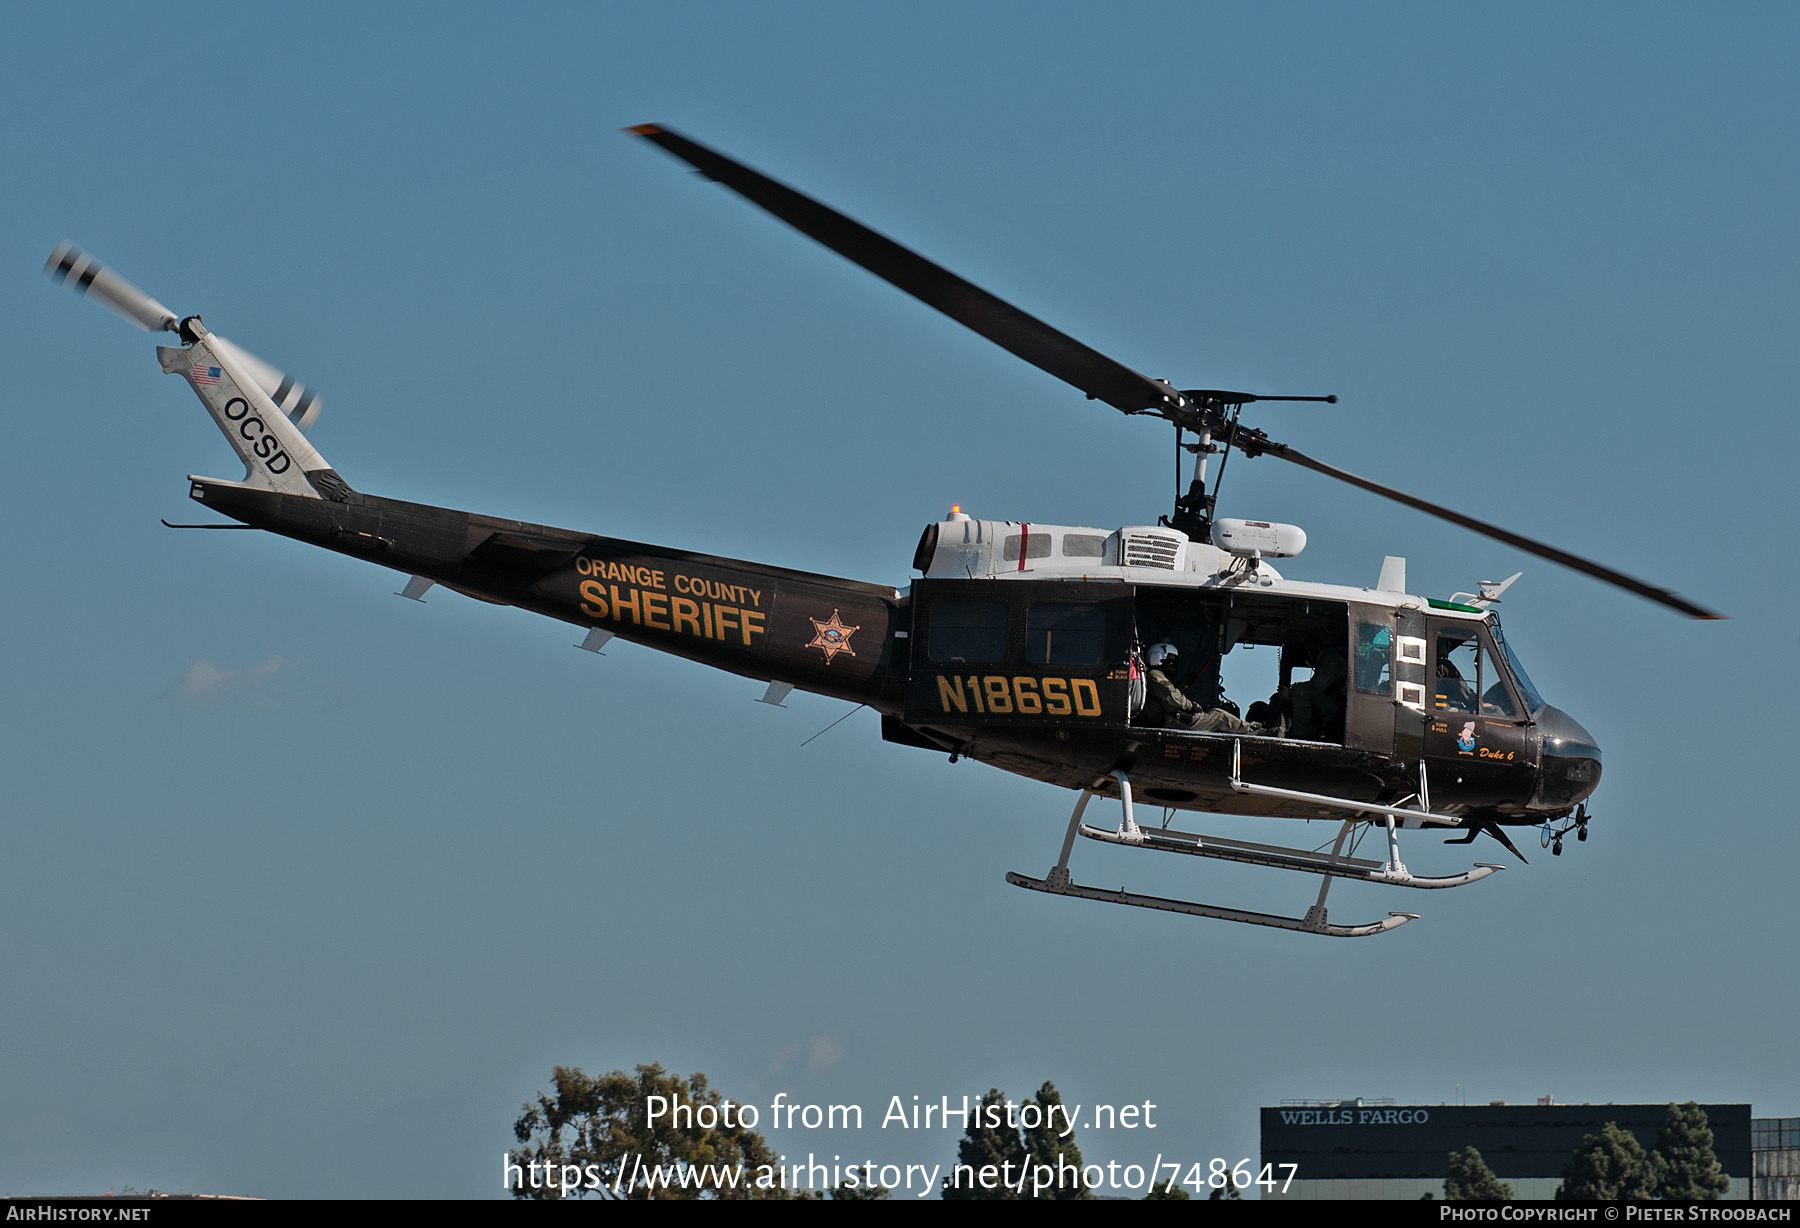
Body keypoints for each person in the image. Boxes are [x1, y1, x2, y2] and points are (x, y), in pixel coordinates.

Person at [1139, 644, 1264, 734]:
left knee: (1216, 712)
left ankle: (1254, 729)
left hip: (1171, 719)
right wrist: (1191, 706)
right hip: (1168, 720)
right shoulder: (1155, 675)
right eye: (1171, 660)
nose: (1172, 665)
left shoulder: (1153, 676)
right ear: (1158, 657)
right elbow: (1174, 698)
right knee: (1221, 718)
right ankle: (1258, 731)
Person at [1287, 630, 1347, 741]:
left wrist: (1289, 693)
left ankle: (1302, 736)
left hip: (1338, 707)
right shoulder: (1329, 659)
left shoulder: (1331, 659)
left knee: (1300, 691)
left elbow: (1317, 686)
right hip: (1334, 703)